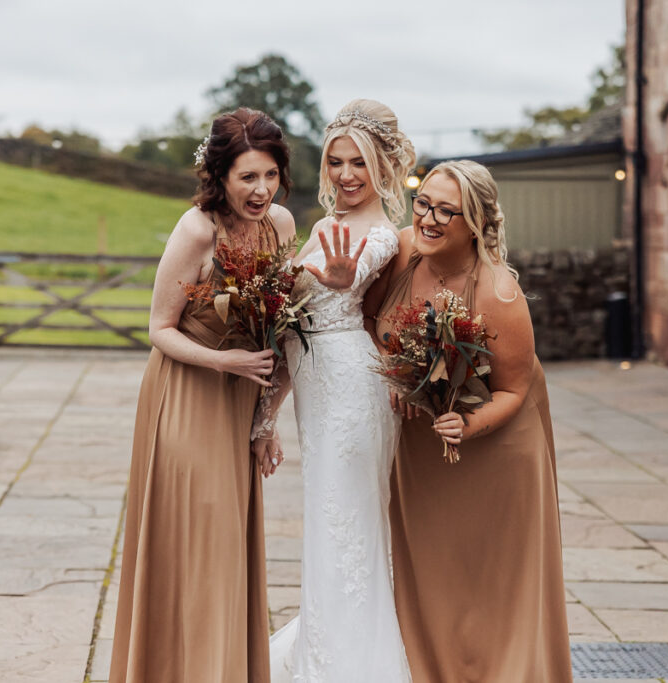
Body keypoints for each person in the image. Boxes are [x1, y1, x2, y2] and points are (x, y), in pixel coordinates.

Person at [108, 108, 296, 683]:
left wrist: (266, 421)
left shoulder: (282, 225)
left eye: (269, 175)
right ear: (220, 177)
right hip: (187, 395)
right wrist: (225, 361)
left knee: (227, 545)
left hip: (240, 401)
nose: (261, 190)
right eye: (247, 178)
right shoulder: (197, 230)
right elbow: (159, 329)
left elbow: (280, 329)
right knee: (198, 536)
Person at [370, 160, 573, 683]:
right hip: (422, 447)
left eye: (446, 211)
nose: (428, 219)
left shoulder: (497, 292)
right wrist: (399, 376)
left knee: (491, 581)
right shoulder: (402, 252)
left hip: (494, 447)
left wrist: (468, 423)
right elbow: (370, 320)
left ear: (476, 222)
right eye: (423, 202)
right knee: (432, 573)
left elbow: (515, 387)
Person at [255, 99, 416, 683]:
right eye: (336, 161)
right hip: (315, 391)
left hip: (352, 391)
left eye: (360, 163)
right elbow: (289, 323)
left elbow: (355, 278)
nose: (346, 174)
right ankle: (326, 645)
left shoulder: (380, 237)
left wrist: (346, 280)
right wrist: (265, 418)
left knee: (346, 521)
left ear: (383, 169)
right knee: (325, 520)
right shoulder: (323, 228)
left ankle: (354, 666)